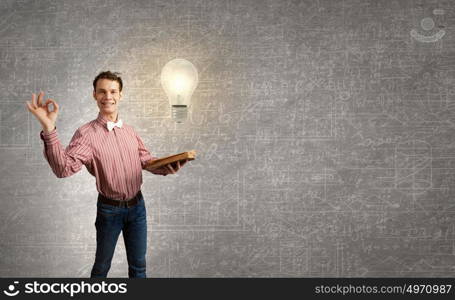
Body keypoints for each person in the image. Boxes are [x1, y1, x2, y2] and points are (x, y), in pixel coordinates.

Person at [25, 71, 186, 278]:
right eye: (102, 91)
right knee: (101, 268)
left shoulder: (129, 131)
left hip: (138, 208)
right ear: (94, 95)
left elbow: (146, 161)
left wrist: (167, 167)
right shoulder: (86, 134)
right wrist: (49, 128)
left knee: (139, 268)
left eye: (112, 91)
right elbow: (63, 169)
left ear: (121, 95)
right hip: (110, 211)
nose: (107, 96)